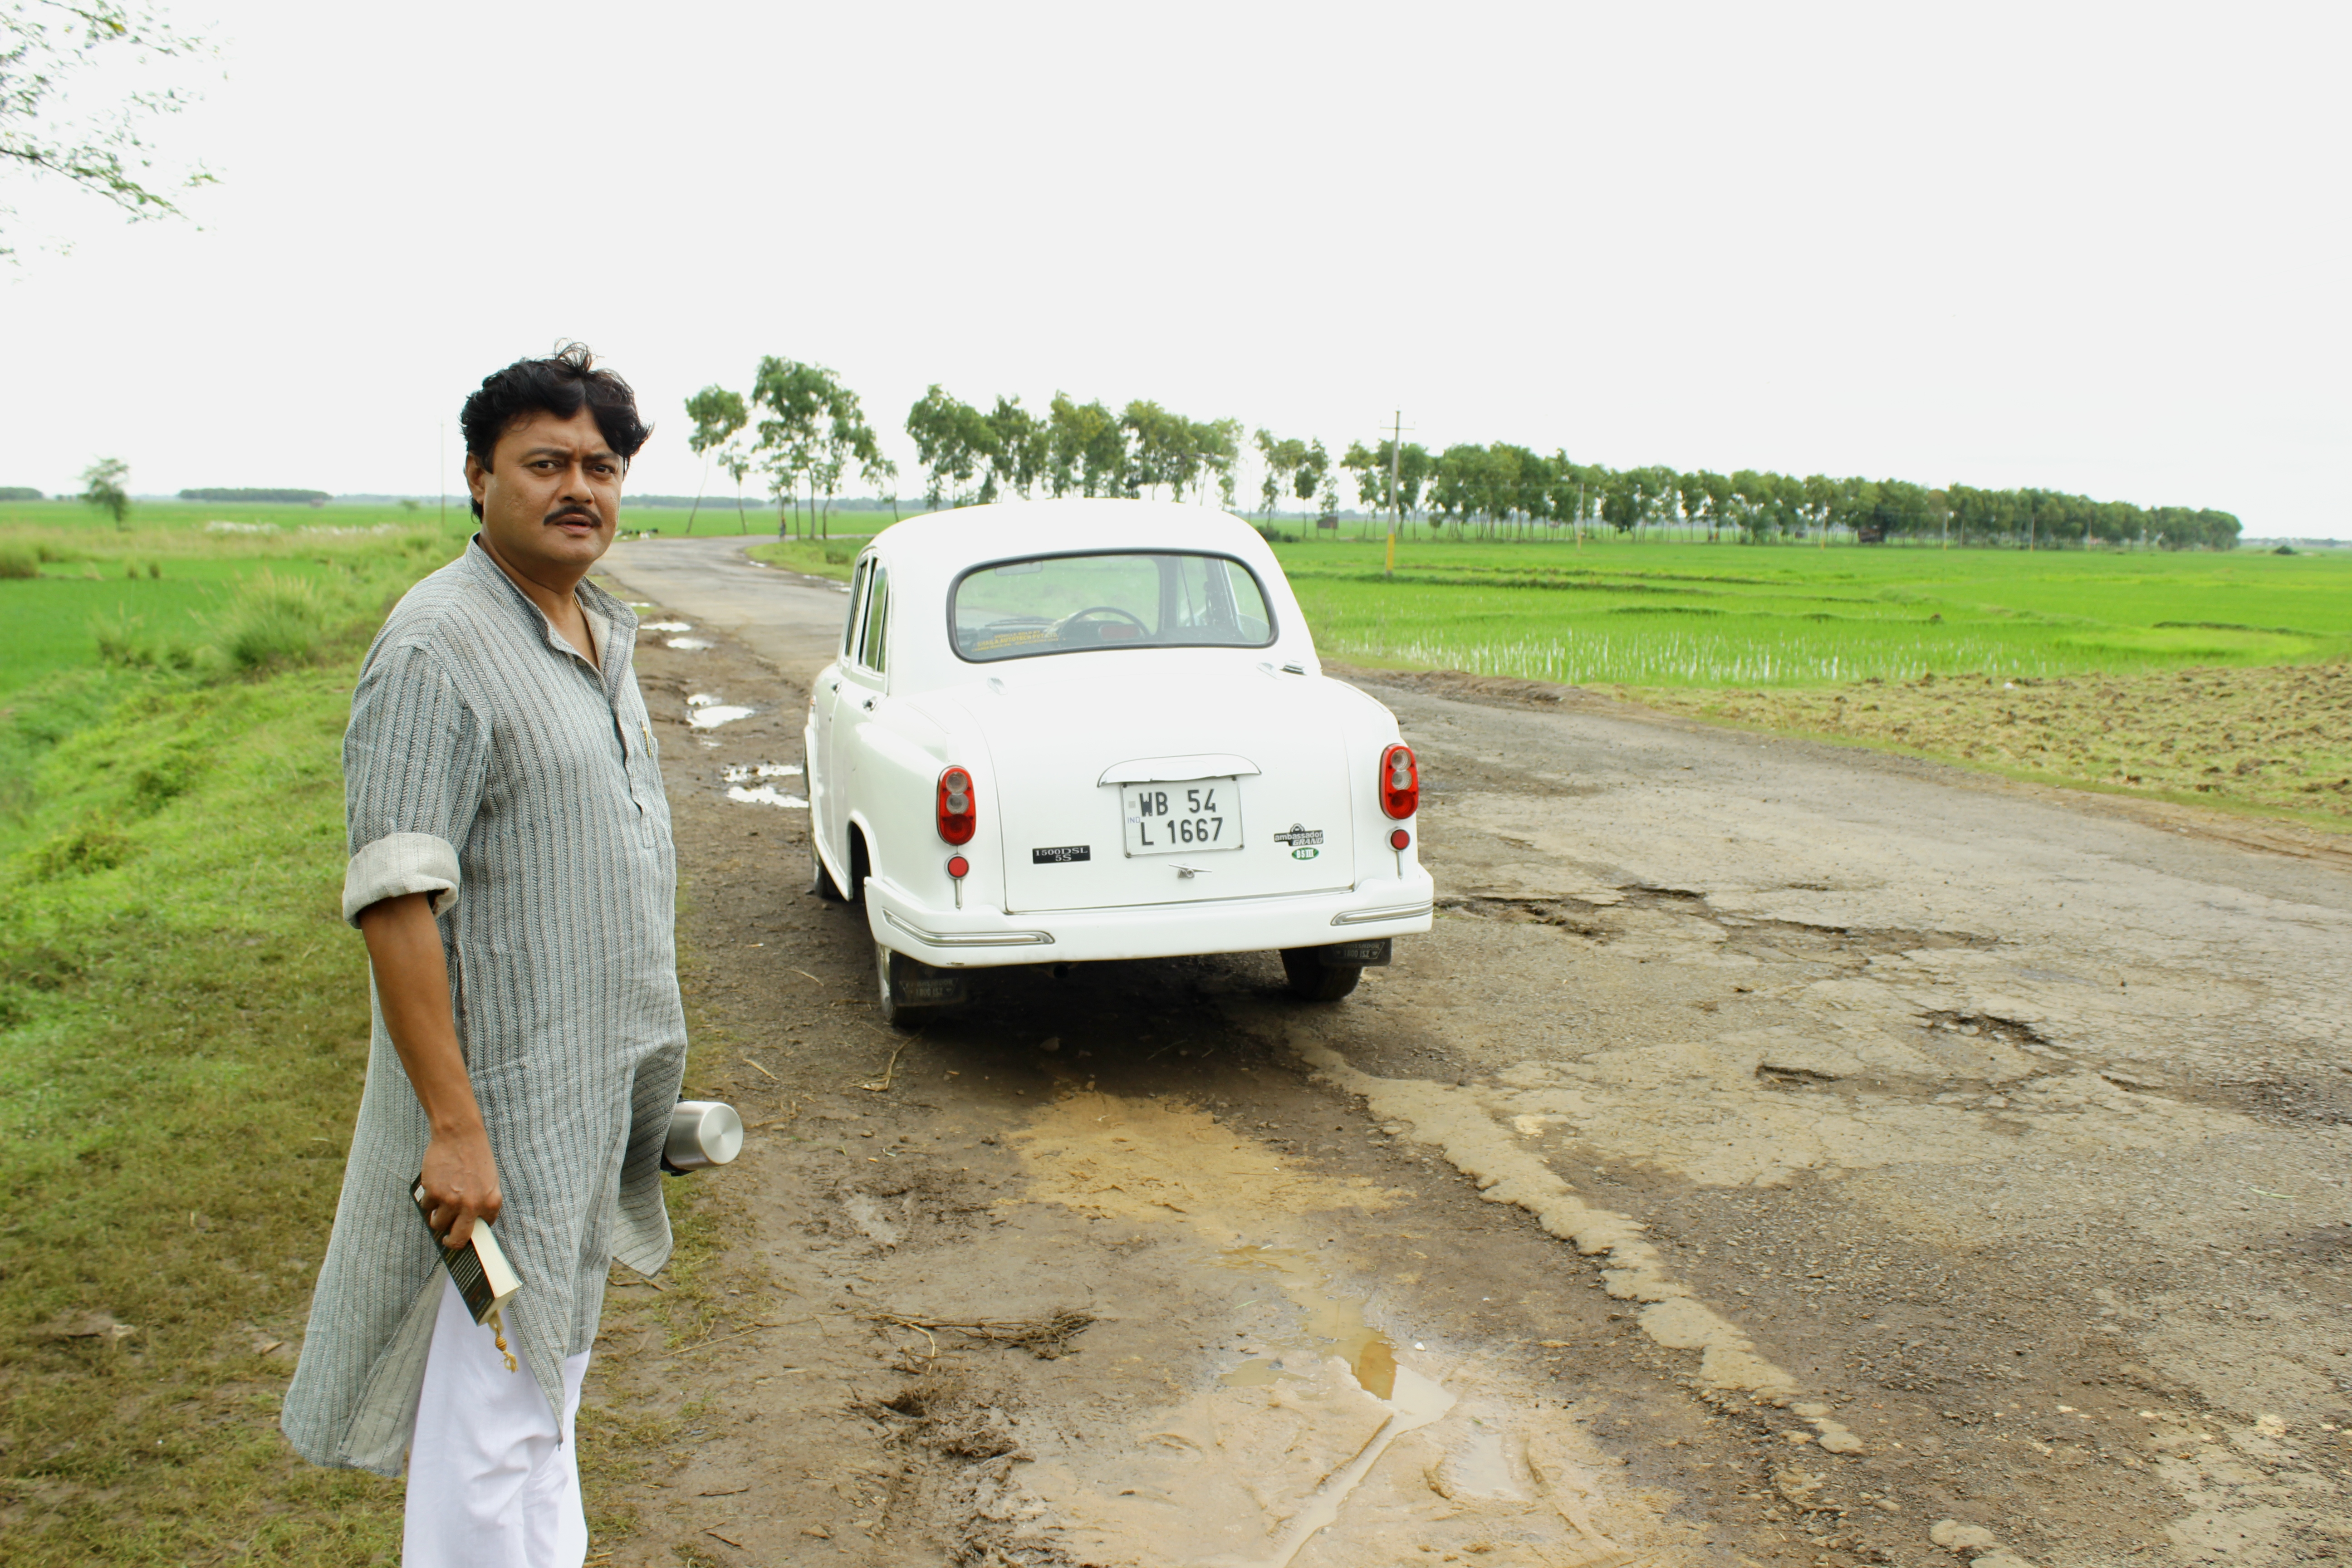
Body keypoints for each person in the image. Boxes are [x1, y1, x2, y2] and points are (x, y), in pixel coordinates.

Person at [284, 343, 686, 1567]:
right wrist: (454, 1127)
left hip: (582, 1100)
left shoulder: (594, 630)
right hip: (498, 1125)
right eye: (546, 462)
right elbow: (396, 899)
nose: (581, 488)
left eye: (602, 467)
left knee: (546, 1403)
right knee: (492, 1416)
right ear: (478, 476)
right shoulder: (438, 647)